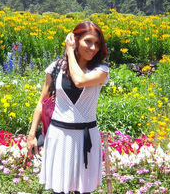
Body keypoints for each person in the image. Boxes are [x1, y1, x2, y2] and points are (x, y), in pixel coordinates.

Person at [27, 21, 109, 194]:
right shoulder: (56, 68)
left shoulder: (101, 71)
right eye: (88, 41)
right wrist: (32, 134)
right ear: (76, 40)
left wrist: (70, 52)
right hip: (59, 136)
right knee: (59, 189)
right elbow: (42, 102)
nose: (93, 47)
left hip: (86, 137)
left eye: (96, 44)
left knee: (84, 190)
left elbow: (79, 81)